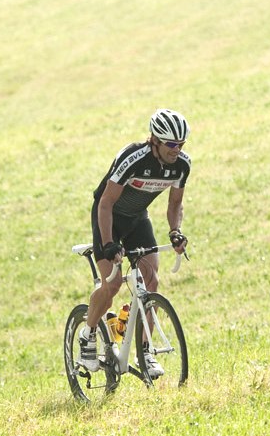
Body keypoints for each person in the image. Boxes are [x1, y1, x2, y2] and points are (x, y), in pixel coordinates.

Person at [76, 109, 192, 379]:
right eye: (171, 144)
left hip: (137, 219)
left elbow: (175, 203)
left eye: (181, 144)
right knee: (113, 284)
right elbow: (106, 203)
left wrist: (175, 231)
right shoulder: (133, 158)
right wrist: (108, 244)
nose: (176, 150)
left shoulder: (181, 165)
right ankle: (87, 333)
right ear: (155, 140)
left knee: (151, 281)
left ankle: (145, 351)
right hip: (108, 217)